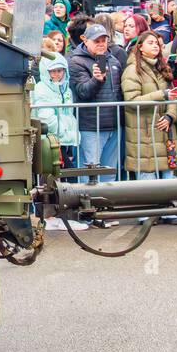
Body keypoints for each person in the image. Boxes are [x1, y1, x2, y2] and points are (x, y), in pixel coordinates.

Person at [122, 31, 177, 223]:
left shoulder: (162, 68)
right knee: (147, 171)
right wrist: (162, 95)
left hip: (165, 128)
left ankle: (171, 211)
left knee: (170, 170)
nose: (156, 46)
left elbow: (173, 97)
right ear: (140, 46)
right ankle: (147, 213)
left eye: (157, 43)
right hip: (144, 130)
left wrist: (170, 115)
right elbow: (131, 100)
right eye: (150, 43)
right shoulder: (133, 70)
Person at [31, 54, 83, 230]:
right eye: (53, 71)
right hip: (51, 140)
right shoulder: (41, 90)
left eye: (60, 70)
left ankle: (60, 216)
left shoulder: (66, 89)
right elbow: (47, 117)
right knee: (57, 178)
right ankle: (52, 216)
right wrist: (62, 133)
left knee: (62, 178)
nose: (57, 75)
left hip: (65, 139)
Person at [69, 23, 124, 183]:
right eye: (96, 41)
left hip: (113, 125)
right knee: (89, 176)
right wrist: (96, 80)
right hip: (91, 127)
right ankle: (85, 207)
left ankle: (108, 206)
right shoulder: (76, 62)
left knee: (109, 174)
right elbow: (82, 92)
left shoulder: (113, 60)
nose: (101, 44)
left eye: (103, 40)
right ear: (85, 41)